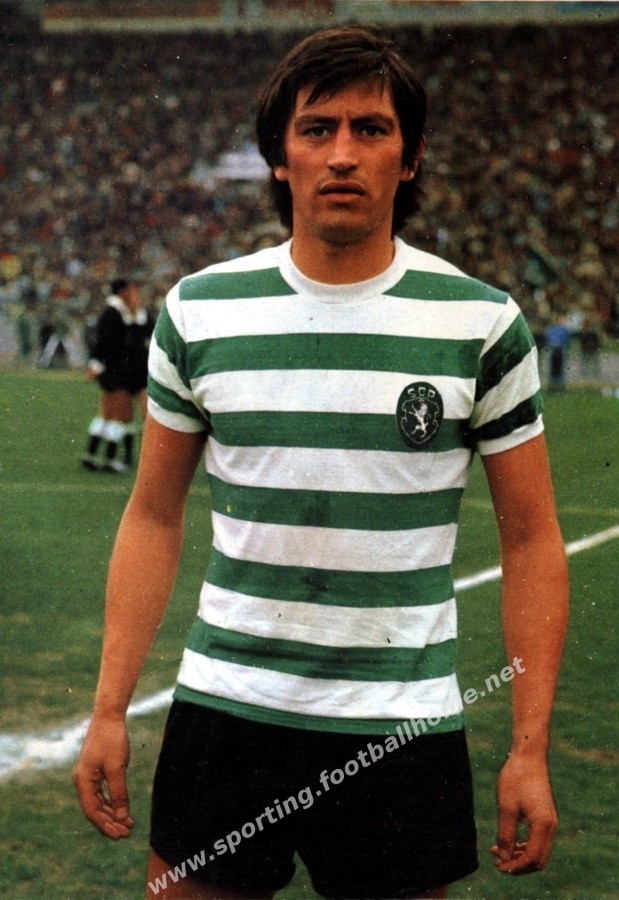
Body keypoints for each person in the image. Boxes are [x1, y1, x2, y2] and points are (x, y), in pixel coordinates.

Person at [73, 27, 569, 900]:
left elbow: (531, 541)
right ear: (280, 156)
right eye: (317, 129)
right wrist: (110, 708)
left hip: (399, 729)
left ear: (409, 158)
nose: (343, 153)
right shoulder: (199, 312)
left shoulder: (481, 323)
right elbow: (151, 515)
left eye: (371, 129)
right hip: (226, 713)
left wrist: (529, 750)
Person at [81, 278, 154, 472]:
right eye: (132, 290)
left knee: (113, 415)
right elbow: (105, 343)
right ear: (124, 292)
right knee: (118, 415)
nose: (135, 294)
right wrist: (97, 364)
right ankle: (109, 460)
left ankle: (93, 456)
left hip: (126, 371)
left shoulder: (131, 313)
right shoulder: (115, 313)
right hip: (119, 372)